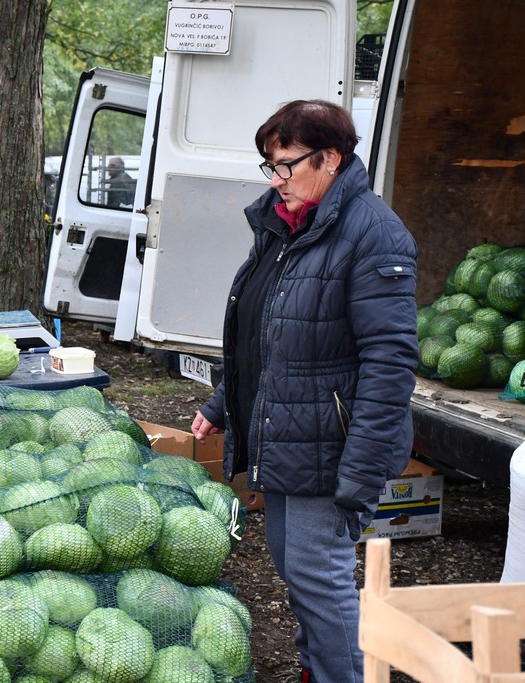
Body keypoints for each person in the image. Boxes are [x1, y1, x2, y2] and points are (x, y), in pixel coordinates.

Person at [189, 100, 418, 683]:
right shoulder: (285, 225)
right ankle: (317, 669)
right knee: (295, 566)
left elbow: (390, 362)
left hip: (332, 442)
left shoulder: (374, 234)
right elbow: (266, 330)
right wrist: (223, 402)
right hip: (288, 430)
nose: (276, 179)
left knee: (320, 577)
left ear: (331, 159)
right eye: (270, 166)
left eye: (286, 165)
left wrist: (361, 467)